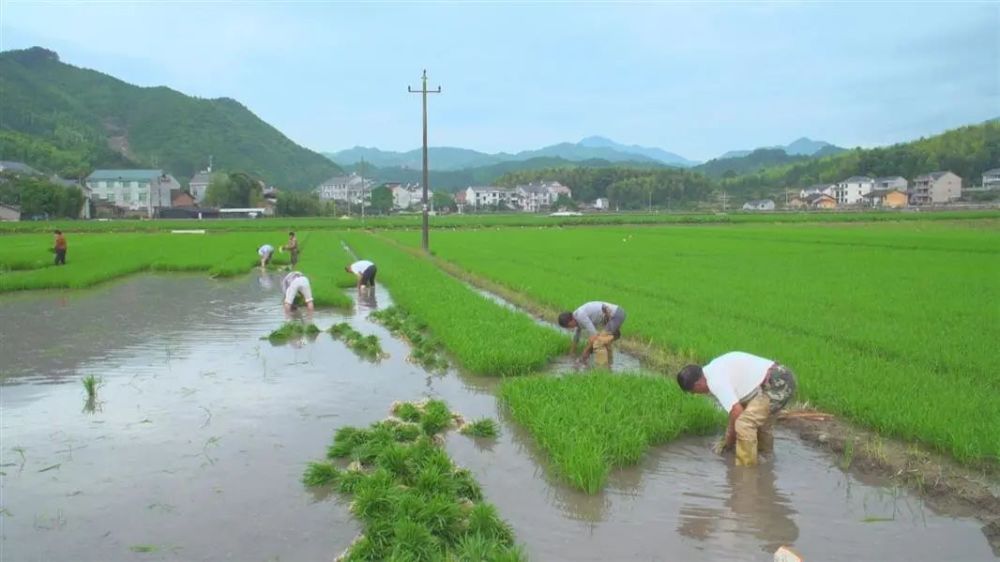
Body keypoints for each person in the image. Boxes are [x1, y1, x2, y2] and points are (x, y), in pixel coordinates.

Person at [676, 352, 797, 467]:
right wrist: (728, 440)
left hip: (777, 383)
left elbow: (737, 413)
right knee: (759, 424)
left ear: (698, 385)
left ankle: (746, 472)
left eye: (694, 392)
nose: (697, 394)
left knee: (745, 424)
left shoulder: (715, 381)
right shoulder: (713, 369)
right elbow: (735, 410)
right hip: (777, 377)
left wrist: (728, 442)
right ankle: (766, 462)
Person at [557, 301, 626, 368]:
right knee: (604, 341)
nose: (570, 328)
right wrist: (572, 353)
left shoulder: (581, 316)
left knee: (598, 342)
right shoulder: (576, 316)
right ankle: (609, 364)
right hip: (612, 315)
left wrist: (585, 352)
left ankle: (602, 368)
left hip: (616, 315)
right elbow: (576, 336)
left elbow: (594, 335)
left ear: (571, 320)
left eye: (569, 326)